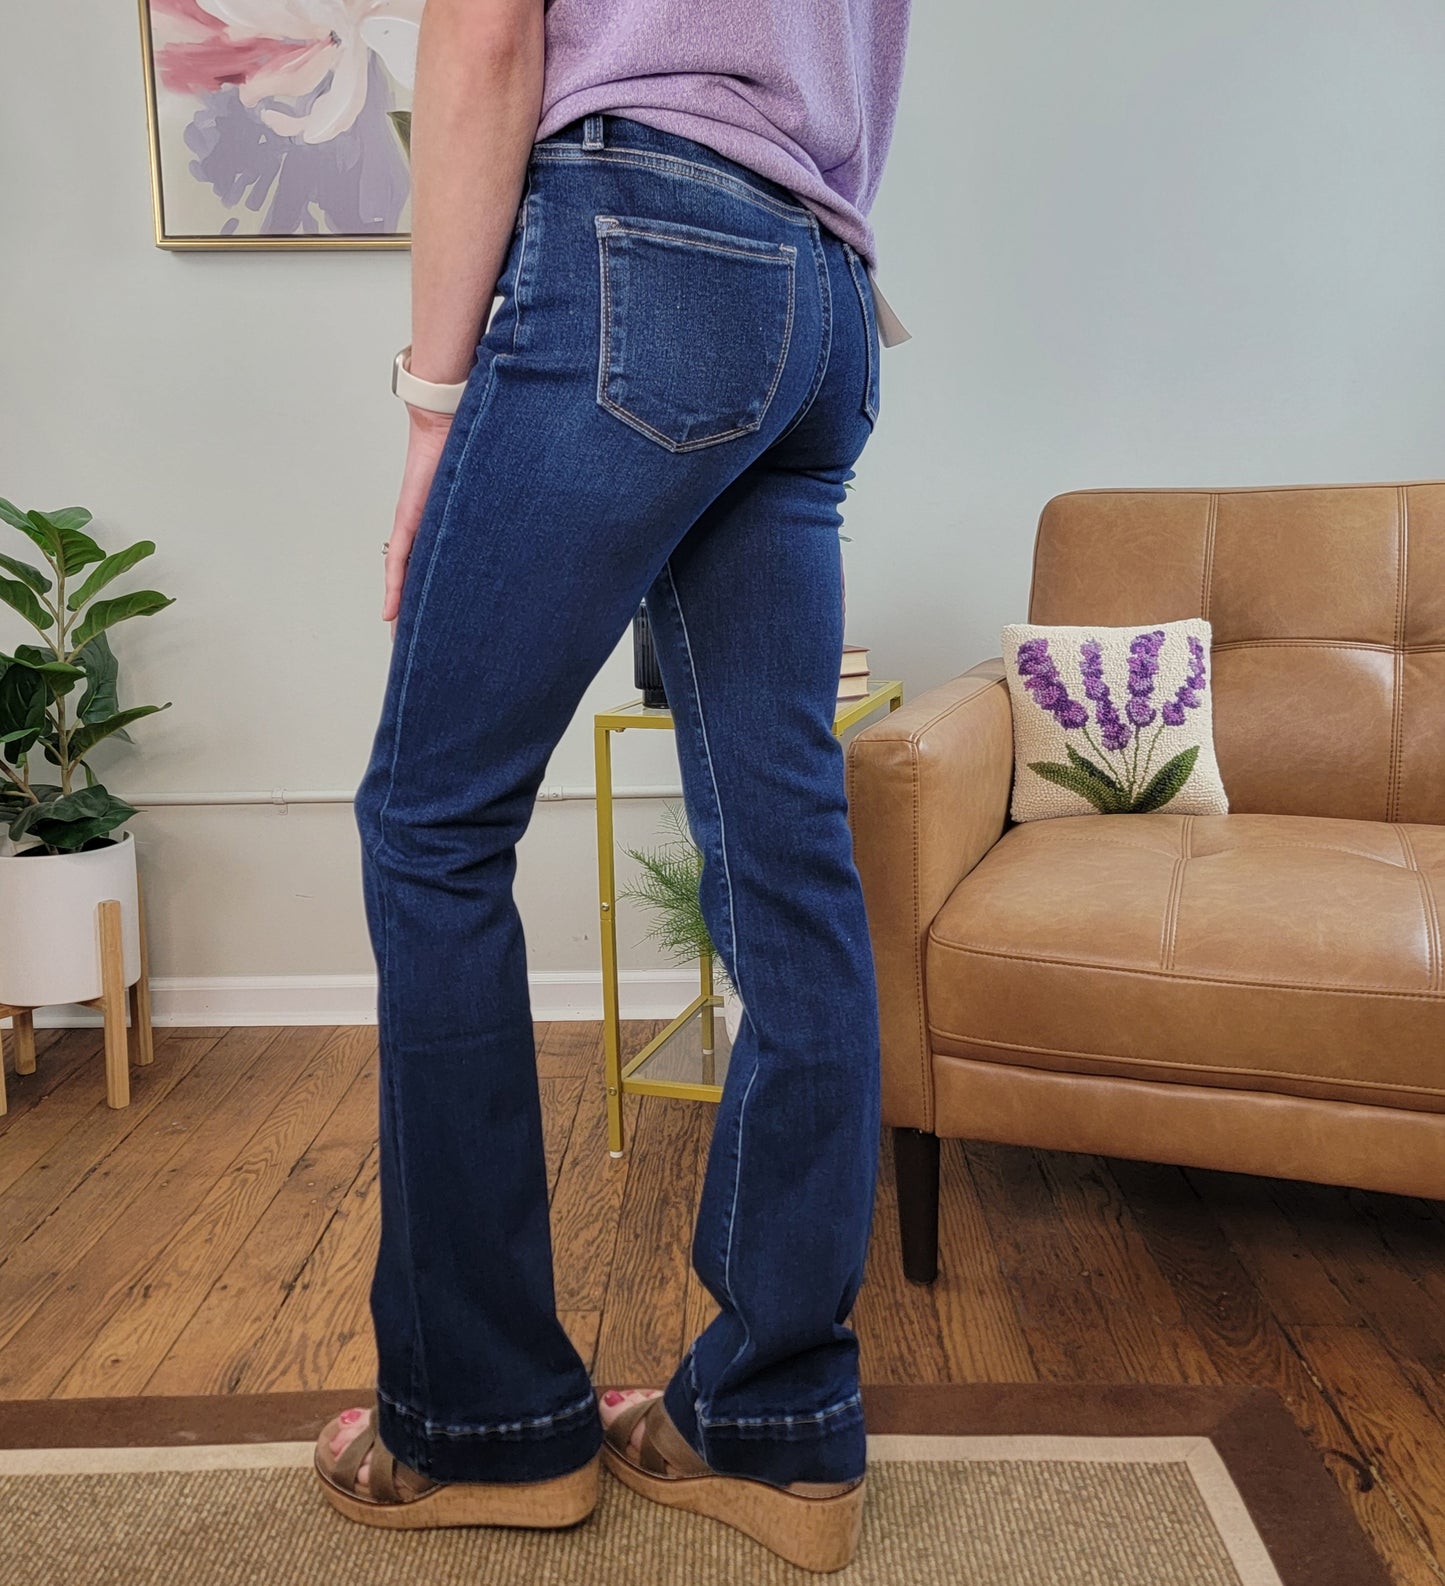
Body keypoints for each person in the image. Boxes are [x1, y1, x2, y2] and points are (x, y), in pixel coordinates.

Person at [311, 0, 913, 1570]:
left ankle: (482, 1423)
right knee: (784, 857)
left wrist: (434, 408)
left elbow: (488, 30)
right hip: (823, 290)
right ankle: (771, 1422)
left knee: (430, 826)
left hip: (642, 245)